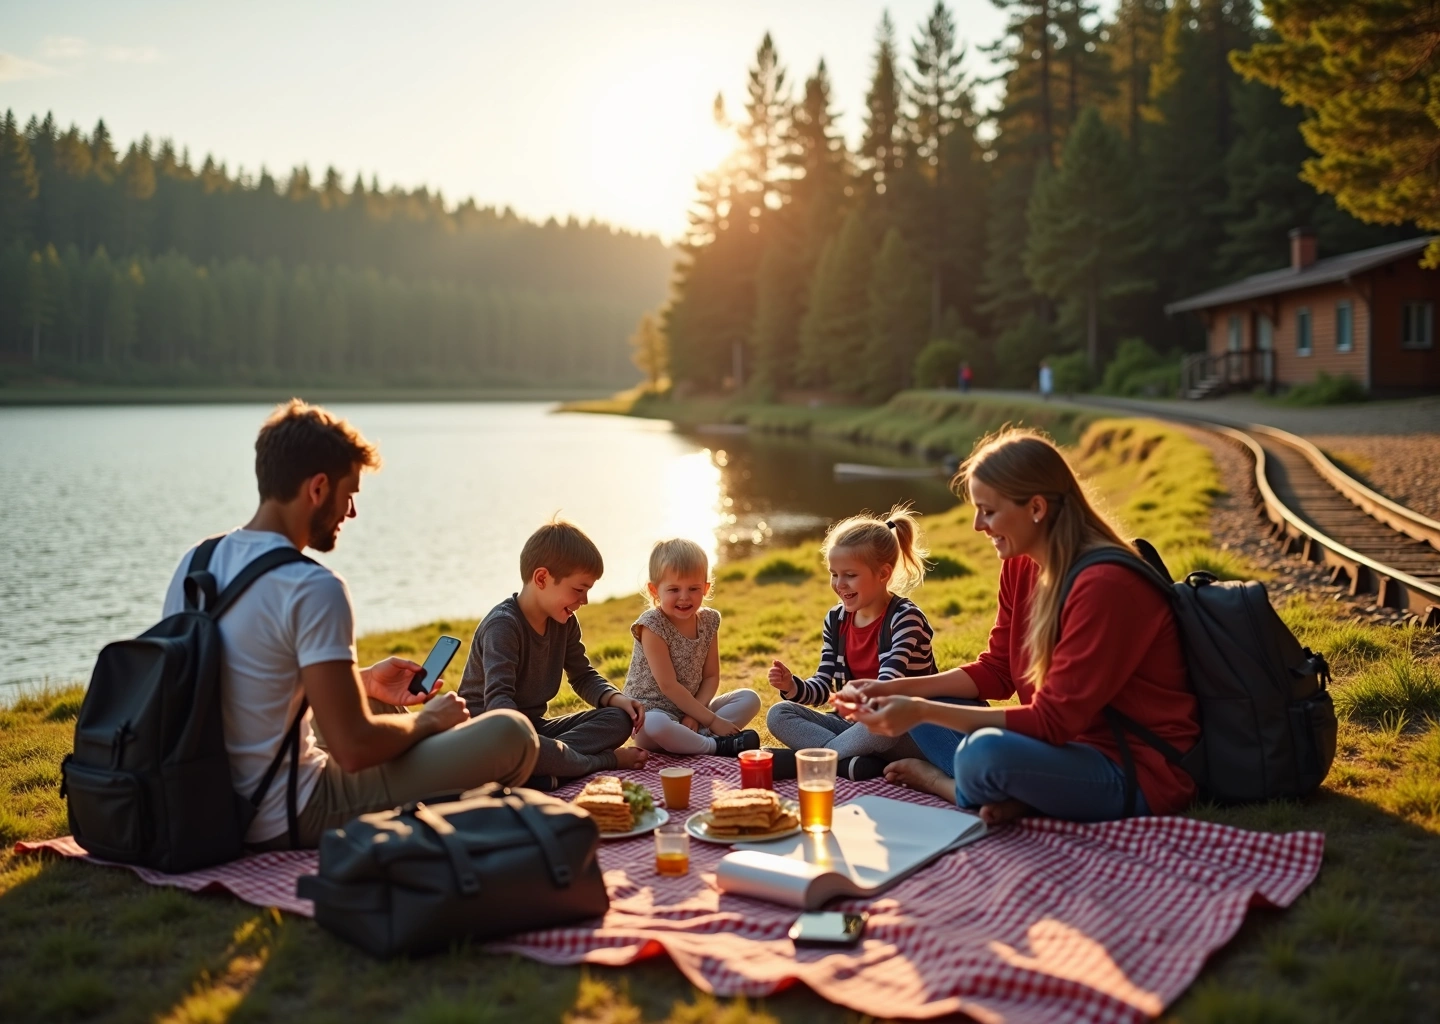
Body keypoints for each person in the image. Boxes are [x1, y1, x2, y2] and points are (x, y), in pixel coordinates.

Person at [162, 400, 540, 851]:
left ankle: (442, 786)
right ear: (318, 488)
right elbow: (353, 749)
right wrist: (429, 723)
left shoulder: (197, 561)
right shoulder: (312, 586)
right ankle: (467, 818)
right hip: (286, 812)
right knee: (513, 734)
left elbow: (235, 680)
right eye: (350, 494)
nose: (352, 512)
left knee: (379, 707)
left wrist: (360, 683)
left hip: (205, 797)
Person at [832, 428, 1199, 824]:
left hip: (1133, 769)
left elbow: (1051, 721)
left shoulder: (1105, 583)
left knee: (979, 752)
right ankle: (1012, 791)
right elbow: (998, 671)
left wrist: (919, 711)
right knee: (942, 704)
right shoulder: (1021, 565)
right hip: (1065, 749)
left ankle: (950, 785)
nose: (977, 525)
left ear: (1036, 508)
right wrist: (893, 688)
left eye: (988, 511)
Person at [459, 519, 649, 790]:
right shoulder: (503, 626)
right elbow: (499, 702)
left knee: (618, 719)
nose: (584, 601)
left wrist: (615, 698)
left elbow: (582, 674)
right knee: (534, 749)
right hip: (494, 735)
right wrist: (606, 757)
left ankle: (543, 770)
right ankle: (598, 761)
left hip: (535, 732)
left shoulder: (564, 622)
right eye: (579, 589)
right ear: (542, 578)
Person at [765, 505, 943, 781]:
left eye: (850, 575)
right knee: (779, 713)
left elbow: (885, 689)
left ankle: (818, 760)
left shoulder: (906, 618)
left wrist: (858, 710)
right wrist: (791, 686)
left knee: (882, 719)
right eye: (834, 574)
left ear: (883, 574)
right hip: (853, 729)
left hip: (905, 730)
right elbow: (824, 688)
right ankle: (850, 763)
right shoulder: (836, 620)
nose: (839, 584)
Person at [623, 538, 761, 756]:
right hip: (651, 715)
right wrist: (712, 720)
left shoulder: (708, 621)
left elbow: (711, 677)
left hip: (693, 711)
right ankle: (714, 746)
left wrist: (697, 715)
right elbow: (668, 685)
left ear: (706, 588)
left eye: (694, 588)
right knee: (657, 723)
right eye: (674, 589)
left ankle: (692, 740)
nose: (684, 597)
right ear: (654, 590)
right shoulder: (652, 625)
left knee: (749, 698)